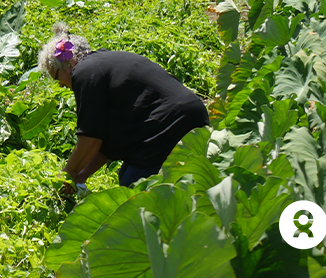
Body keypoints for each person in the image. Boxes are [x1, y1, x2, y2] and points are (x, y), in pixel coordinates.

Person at [38, 22, 208, 191]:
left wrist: (68, 172)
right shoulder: (104, 63)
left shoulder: (84, 72)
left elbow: (91, 137)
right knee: (132, 175)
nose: (60, 85)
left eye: (56, 77)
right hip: (193, 114)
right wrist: (81, 175)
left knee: (134, 188)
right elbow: (106, 141)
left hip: (169, 123)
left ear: (68, 65)